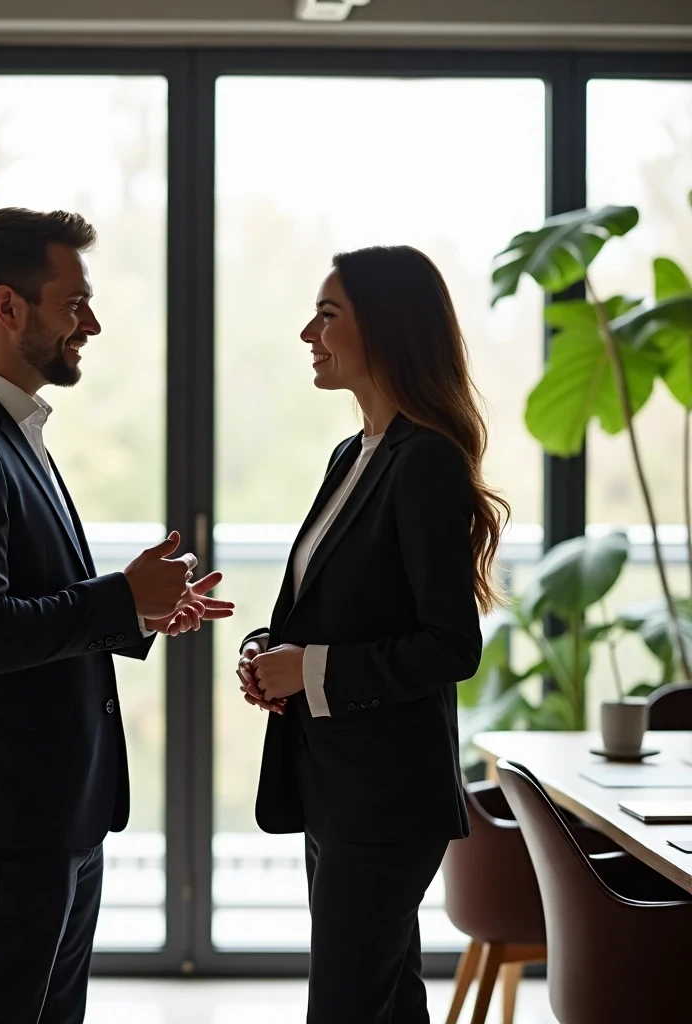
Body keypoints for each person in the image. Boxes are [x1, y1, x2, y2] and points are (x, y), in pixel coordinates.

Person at [0, 207, 233, 1024]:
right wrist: (119, 596)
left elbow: (34, 606)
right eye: (73, 302)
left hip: (58, 810)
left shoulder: (14, 432)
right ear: (8, 307)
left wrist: (140, 613)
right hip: (14, 817)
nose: (92, 322)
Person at [236, 245, 509, 1024]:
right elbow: (330, 606)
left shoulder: (425, 463)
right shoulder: (352, 454)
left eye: (328, 315)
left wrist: (311, 670)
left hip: (386, 803)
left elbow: (451, 645)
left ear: (384, 330)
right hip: (336, 787)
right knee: (385, 1005)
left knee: (348, 1008)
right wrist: (268, 651)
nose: (307, 333)